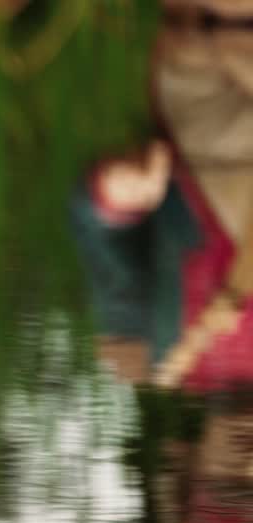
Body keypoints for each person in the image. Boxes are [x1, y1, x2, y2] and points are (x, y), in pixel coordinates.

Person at [71, 0, 253, 394]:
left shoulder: (149, 354)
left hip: (209, 133)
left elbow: (100, 235)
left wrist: (113, 194)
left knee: (199, 45)